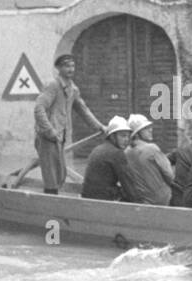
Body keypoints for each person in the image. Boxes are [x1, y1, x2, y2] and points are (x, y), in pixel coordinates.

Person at [34, 54, 104, 195]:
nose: (70, 69)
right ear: (59, 68)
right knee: (51, 175)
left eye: (72, 66)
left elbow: (83, 110)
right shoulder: (53, 86)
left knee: (60, 173)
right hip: (47, 137)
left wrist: (100, 127)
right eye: (66, 66)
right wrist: (50, 130)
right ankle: (50, 204)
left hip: (60, 137)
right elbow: (39, 108)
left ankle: (54, 200)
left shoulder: (73, 89)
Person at [123, 113, 174, 205]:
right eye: (145, 128)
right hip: (162, 200)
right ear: (137, 133)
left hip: (140, 202)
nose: (150, 130)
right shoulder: (152, 149)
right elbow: (170, 175)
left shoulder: (126, 152)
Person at [81, 116, 134, 201]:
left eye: (128, 136)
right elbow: (128, 184)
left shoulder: (98, 148)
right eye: (122, 136)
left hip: (88, 197)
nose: (126, 140)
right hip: (103, 200)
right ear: (112, 137)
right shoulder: (117, 153)